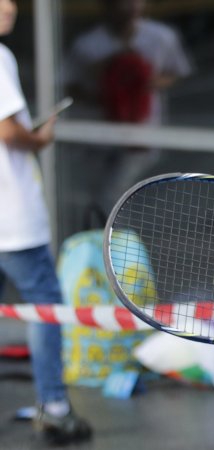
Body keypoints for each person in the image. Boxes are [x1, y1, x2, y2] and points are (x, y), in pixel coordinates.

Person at [0, 0, 92, 444]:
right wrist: (40, 137)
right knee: (43, 305)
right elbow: (8, 131)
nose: (9, 6)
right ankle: (55, 406)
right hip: (10, 216)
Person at [64, 0, 191, 211]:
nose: (127, 7)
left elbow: (177, 71)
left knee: (114, 195)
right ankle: (101, 236)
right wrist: (106, 88)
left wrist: (145, 82)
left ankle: (116, 238)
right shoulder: (88, 44)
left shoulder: (161, 36)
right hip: (99, 135)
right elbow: (70, 85)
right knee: (96, 194)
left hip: (142, 132)